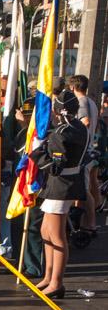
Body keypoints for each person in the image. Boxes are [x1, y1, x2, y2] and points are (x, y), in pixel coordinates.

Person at [31, 90, 89, 299]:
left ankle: (56, 282)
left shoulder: (63, 132)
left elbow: (54, 165)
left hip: (61, 185)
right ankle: (48, 277)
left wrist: (37, 151)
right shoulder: (79, 127)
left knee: (56, 236)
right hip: (63, 184)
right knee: (47, 233)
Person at [68, 74, 100, 235]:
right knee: (83, 189)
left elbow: (85, 121)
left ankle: (91, 224)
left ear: (72, 87)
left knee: (83, 190)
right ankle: (86, 223)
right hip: (89, 150)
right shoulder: (92, 102)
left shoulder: (81, 102)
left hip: (83, 151)